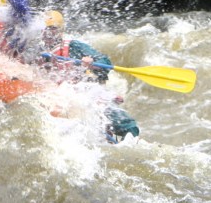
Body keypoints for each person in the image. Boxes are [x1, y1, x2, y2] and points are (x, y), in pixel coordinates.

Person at [40, 10, 140, 143]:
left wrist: (92, 63)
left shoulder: (74, 46)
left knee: (122, 121)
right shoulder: (36, 50)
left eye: (52, 28)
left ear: (60, 30)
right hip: (55, 97)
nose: (48, 33)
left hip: (84, 93)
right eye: (45, 29)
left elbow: (105, 62)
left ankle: (129, 144)